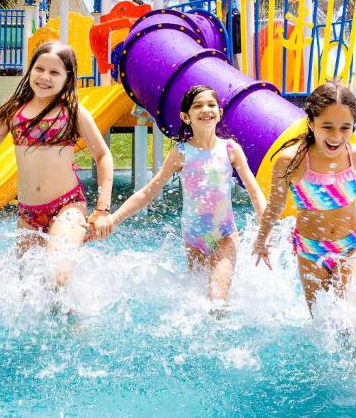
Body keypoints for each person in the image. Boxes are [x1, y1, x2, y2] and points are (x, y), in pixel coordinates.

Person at [0, 41, 114, 285]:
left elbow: (103, 156)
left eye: (54, 72)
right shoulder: (13, 112)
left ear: (67, 78)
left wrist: (102, 209)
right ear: (30, 70)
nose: (44, 77)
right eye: (39, 69)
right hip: (28, 214)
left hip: (67, 206)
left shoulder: (74, 113)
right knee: (29, 288)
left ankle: (75, 323)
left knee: (57, 276)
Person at [102, 85, 267, 304]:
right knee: (198, 301)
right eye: (197, 106)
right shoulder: (181, 153)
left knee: (217, 297)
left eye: (211, 105)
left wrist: (266, 232)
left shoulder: (230, 149)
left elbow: (255, 192)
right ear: (185, 116)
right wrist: (113, 218)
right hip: (193, 238)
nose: (205, 109)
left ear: (220, 111)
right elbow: (148, 192)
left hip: (225, 234)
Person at [252, 81, 356, 313]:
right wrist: (261, 239)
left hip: (351, 245)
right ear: (311, 122)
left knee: (353, 322)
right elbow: (275, 205)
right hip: (310, 250)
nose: (336, 136)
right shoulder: (291, 161)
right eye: (327, 127)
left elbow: (348, 200)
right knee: (322, 323)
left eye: (345, 128)